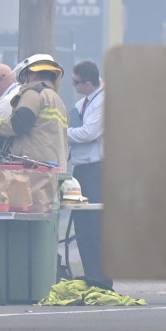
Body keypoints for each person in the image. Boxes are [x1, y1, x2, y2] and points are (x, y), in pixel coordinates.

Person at [66, 60, 110, 290]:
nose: (72, 85)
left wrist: (62, 133)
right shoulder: (81, 103)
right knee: (82, 225)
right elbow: (84, 134)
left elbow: (89, 132)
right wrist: (78, 134)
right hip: (80, 170)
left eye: (76, 82)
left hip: (96, 169)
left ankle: (102, 277)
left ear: (89, 83)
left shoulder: (102, 103)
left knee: (94, 224)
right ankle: (91, 273)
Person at [0, 54, 69, 170]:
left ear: (34, 75)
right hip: (55, 168)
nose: (25, 81)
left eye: (26, 76)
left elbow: (16, 126)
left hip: (33, 169)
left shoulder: (33, 94)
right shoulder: (58, 100)